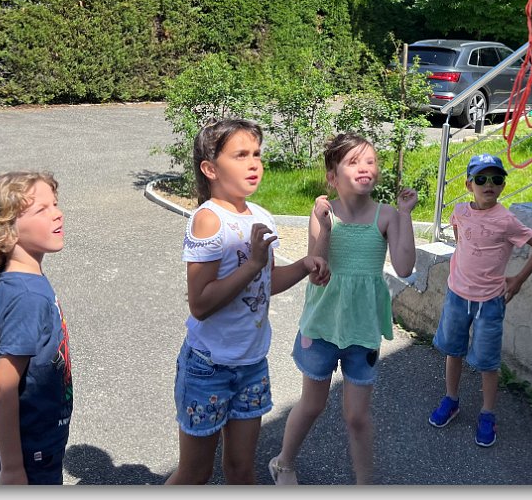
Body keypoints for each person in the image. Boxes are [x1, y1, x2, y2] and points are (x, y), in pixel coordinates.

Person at [166, 118, 330, 485]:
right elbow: (200, 304)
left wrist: (304, 264)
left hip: (252, 364)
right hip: (209, 367)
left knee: (241, 469)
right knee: (195, 473)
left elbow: (265, 284)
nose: (254, 163)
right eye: (240, 155)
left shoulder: (260, 217)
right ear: (210, 169)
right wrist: (253, 263)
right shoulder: (208, 220)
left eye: (256, 154)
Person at [268, 132, 418, 485]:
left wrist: (406, 215)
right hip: (322, 326)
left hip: (363, 330)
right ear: (332, 177)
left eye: (371, 161)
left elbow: (404, 267)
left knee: (357, 417)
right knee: (312, 405)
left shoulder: (387, 216)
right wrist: (324, 226)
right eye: (353, 162)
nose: (365, 167)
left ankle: (365, 484)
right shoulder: (324, 214)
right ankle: (283, 463)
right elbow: (316, 271)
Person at [427, 152, 532, 447]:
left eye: (496, 179)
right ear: (469, 185)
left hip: (489, 303)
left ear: (503, 185)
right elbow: (461, 239)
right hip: (457, 296)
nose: (489, 184)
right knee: (453, 350)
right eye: (481, 179)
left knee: (487, 361)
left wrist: (518, 280)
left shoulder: (506, 220)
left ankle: (487, 414)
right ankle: (451, 399)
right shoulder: (460, 211)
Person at [0, 171, 73, 485]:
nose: (57, 213)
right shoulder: (27, 297)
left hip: (28, 438)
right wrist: (12, 466)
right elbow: (3, 387)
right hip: (28, 448)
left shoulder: (19, 280)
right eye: (42, 209)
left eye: (55, 204)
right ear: (7, 231)